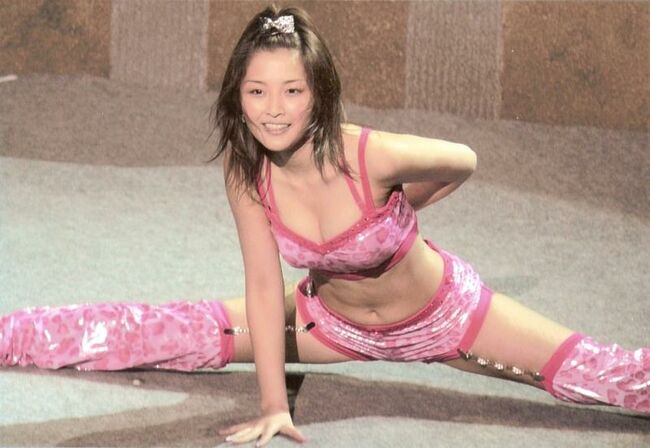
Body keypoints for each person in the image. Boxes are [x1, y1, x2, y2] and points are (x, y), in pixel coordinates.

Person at [1, 5, 648, 447]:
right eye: (256, 92)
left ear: (320, 93)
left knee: (603, 376)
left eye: (293, 91)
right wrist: (273, 406)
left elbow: (464, 159)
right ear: (236, 96)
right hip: (327, 325)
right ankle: (10, 336)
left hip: (448, 317)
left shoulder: (373, 155)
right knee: (168, 331)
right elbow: (263, 284)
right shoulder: (246, 168)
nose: (273, 110)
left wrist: (397, 214)